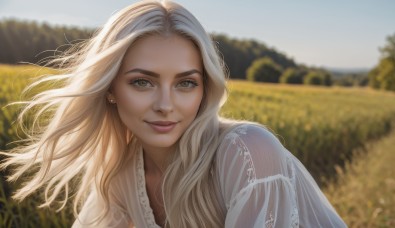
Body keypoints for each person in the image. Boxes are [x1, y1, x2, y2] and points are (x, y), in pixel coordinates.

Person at [1, 0, 347, 227]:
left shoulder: (248, 152)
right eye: (142, 82)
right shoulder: (120, 172)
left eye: (185, 83)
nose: (166, 104)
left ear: (204, 89)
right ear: (109, 89)